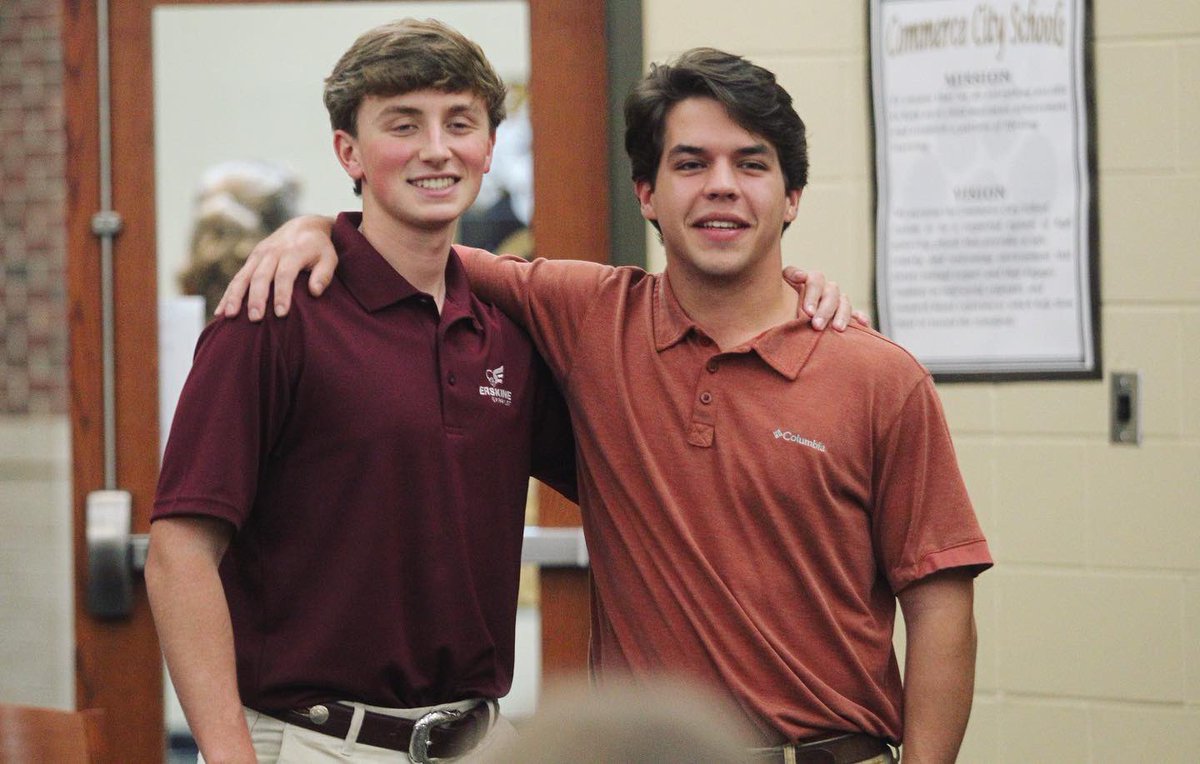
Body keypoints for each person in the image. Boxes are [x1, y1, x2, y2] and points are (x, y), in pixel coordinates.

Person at [221, 48, 990, 764]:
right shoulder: (590, 317)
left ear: (791, 198)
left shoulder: (879, 377)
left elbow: (940, 606)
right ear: (646, 193)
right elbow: (416, 245)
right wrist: (320, 229)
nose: (722, 185)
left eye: (751, 163)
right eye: (690, 163)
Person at [146, 19, 584, 763]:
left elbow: (626, 480)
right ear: (348, 151)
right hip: (317, 742)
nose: (436, 148)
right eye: (403, 125)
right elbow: (179, 554)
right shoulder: (274, 313)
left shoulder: (505, 331)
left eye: (460, 123)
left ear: (487, 147)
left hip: (481, 739)